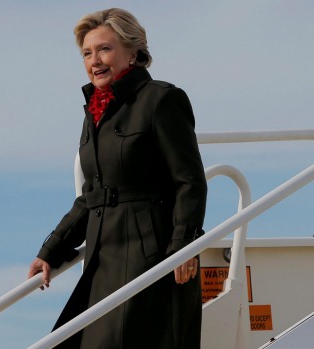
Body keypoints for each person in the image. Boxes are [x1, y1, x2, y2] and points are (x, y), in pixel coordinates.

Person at [27, 8, 207, 349]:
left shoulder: (162, 99)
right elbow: (91, 196)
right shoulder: (94, 113)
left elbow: (189, 181)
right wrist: (51, 250)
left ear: (133, 52)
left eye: (104, 49)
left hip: (151, 255)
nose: (95, 60)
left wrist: (185, 246)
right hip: (102, 258)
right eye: (87, 53)